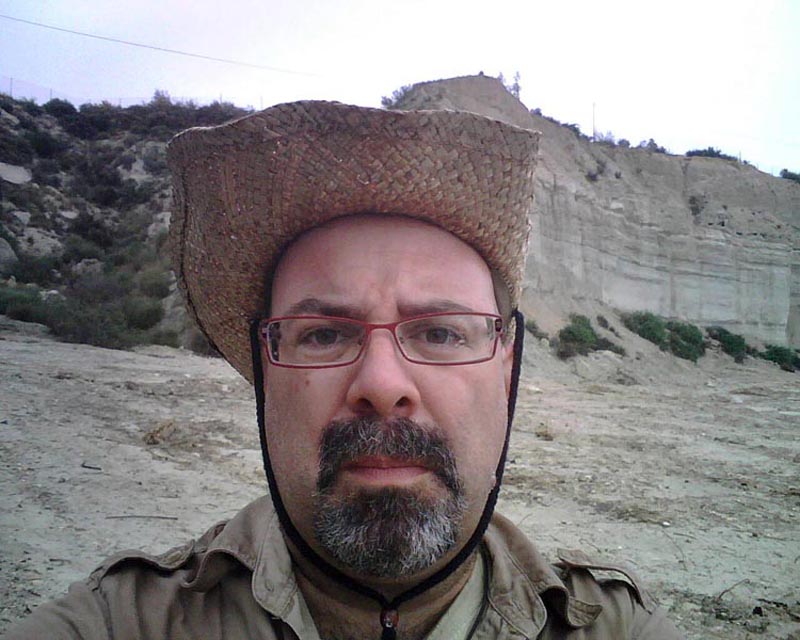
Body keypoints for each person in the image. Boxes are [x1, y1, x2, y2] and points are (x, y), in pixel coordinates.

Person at [5, 101, 683, 639]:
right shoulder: (124, 621)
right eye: (325, 334)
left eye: (441, 332)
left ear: (507, 370)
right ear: (265, 372)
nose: (383, 385)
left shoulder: (613, 626)